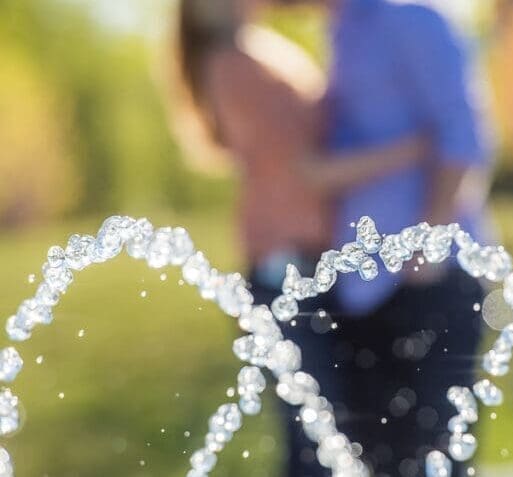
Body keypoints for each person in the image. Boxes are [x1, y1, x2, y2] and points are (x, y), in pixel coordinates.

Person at [176, 1, 431, 475]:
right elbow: (308, 174)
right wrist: (412, 149)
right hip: (286, 274)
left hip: (316, 270)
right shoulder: (233, 67)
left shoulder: (265, 51)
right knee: (319, 444)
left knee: (338, 438)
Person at [277, 1, 492, 476]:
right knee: (370, 459)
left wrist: (427, 244)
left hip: (429, 281)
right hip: (361, 292)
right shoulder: (342, 32)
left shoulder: (411, 20)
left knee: (431, 458)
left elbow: (464, 133)